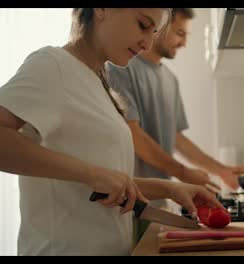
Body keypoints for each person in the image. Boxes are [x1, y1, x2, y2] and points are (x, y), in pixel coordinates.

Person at [0, 8, 223, 256]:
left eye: (154, 32)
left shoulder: (99, 82)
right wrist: (90, 173)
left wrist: (169, 189)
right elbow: (92, 175)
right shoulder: (52, 65)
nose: (148, 43)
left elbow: (104, 184)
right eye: (142, 24)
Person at [106, 8, 244, 240]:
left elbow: (174, 137)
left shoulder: (169, 79)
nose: (184, 42)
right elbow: (132, 134)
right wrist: (182, 172)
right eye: (180, 33)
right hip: (130, 203)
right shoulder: (119, 68)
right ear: (160, 26)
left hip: (161, 203)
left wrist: (220, 170)